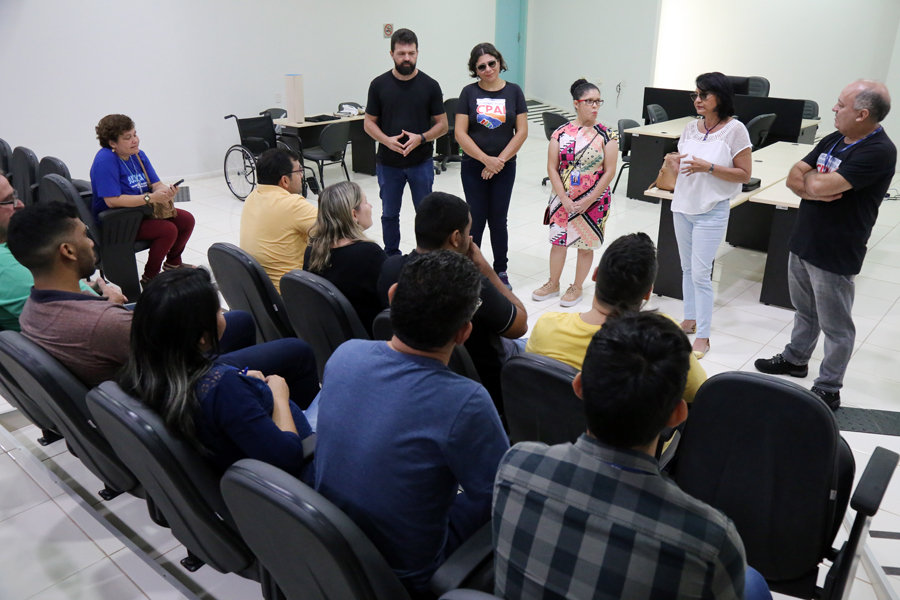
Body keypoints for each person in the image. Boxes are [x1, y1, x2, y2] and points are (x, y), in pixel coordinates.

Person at [493, 312, 771, 600]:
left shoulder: (516, 464)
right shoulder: (709, 539)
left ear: (579, 387)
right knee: (753, 585)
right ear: (677, 414)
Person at [315, 250, 509, 596]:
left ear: (392, 297)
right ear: (464, 332)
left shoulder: (345, 355)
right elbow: (504, 496)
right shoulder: (466, 401)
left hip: (334, 549)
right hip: (409, 578)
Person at [8, 201, 320, 407]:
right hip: (176, 388)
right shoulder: (106, 322)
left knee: (240, 320)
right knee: (296, 350)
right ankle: (298, 430)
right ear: (68, 251)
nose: (91, 241)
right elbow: (181, 358)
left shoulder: (32, 310)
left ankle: (251, 399)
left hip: (136, 371)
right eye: (83, 236)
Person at [755, 80, 896, 410]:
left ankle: (829, 387)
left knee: (836, 326)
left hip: (836, 249)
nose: (833, 109)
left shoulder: (878, 151)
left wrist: (810, 183)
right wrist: (810, 186)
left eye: (840, 105)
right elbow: (796, 175)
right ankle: (796, 359)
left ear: (862, 114)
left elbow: (820, 181)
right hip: (805, 238)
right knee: (804, 311)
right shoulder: (836, 139)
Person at [119, 269, 315, 480]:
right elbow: (288, 458)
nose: (223, 313)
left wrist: (246, 385)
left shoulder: (143, 374)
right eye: (218, 311)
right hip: (307, 468)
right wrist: (278, 397)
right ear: (202, 337)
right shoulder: (222, 388)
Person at [376, 191, 528, 408]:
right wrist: (487, 271)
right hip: (484, 390)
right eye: (468, 230)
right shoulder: (472, 285)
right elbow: (520, 325)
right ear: (456, 238)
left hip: (413, 379)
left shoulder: (390, 269)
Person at [526, 232, 707, 401]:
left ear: (595, 275)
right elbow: (698, 391)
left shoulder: (546, 325)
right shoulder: (666, 339)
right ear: (647, 293)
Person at [670, 72, 752, 359]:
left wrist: (710, 168)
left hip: (712, 210)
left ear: (721, 97)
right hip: (682, 206)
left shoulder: (735, 130)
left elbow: (744, 174)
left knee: (702, 274)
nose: (697, 100)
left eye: (704, 95)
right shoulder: (691, 128)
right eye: (695, 95)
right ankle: (690, 319)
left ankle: (703, 335)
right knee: (687, 269)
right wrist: (670, 162)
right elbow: (680, 168)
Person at [533, 79, 618, 307]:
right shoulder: (561, 133)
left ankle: (577, 287)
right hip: (562, 199)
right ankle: (553, 283)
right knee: (558, 242)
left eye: (598, 101)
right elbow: (552, 167)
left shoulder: (607, 135)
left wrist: (589, 199)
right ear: (576, 104)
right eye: (589, 101)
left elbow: (609, 172)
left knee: (585, 244)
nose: (595, 106)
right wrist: (563, 198)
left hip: (594, 200)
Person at [364, 28, 448, 257]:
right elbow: (368, 123)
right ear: (391, 53)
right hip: (388, 163)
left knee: (425, 214)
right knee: (389, 214)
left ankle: (427, 256)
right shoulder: (379, 84)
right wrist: (386, 140)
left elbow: (442, 125)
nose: (407, 58)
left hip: (421, 162)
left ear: (418, 52)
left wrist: (421, 138)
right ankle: (392, 257)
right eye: (401, 53)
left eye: (411, 53)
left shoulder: (430, 85)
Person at [90, 114, 196, 288]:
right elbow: (112, 201)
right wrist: (150, 198)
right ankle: (150, 278)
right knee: (167, 230)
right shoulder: (105, 160)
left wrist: (165, 191)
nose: (135, 140)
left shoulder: (138, 155)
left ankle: (173, 265)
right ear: (112, 143)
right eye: (128, 137)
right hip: (116, 220)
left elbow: (156, 184)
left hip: (141, 212)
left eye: (135, 134)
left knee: (186, 220)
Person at [455, 43, 528, 290]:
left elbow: (522, 132)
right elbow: (460, 134)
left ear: (499, 61)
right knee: (475, 220)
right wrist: (486, 160)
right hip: (474, 167)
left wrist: (499, 162)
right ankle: (470, 269)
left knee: (498, 219)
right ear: (475, 69)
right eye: (481, 66)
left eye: (491, 63)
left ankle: (500, 270)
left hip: (504, 167)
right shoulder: (468, 93)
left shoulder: (515, 92)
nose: (487, 69)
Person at [2, 172, 104, 331]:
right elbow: (78, 319)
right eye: (8, 201)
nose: (20, 204)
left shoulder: (8, 247)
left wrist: (85, 286)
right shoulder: (4, 267)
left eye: (14, 195)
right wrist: (111, 301)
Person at [303, 181, 387, 336]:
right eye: (366, 202)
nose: (371, 206)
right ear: (354, 214)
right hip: (371, 337)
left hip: (332, 337)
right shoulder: (369, 254)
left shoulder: (312, 250)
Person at [240, 148, 318, 293]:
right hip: (289, 294)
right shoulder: (292, 204)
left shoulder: (252, 196)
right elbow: (339, 228)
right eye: (299, 171)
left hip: (260, 294)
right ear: (285, 180)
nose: (302, 176)